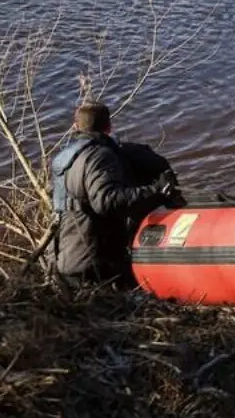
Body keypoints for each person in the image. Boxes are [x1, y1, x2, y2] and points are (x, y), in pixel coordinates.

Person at [50, 100, 178, 290]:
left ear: (75, 127)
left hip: (64, 259)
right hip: (94, 263)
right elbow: (107, 201)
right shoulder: (101, 155)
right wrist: (156, 191)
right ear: (109, 126)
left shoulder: (65, 158)